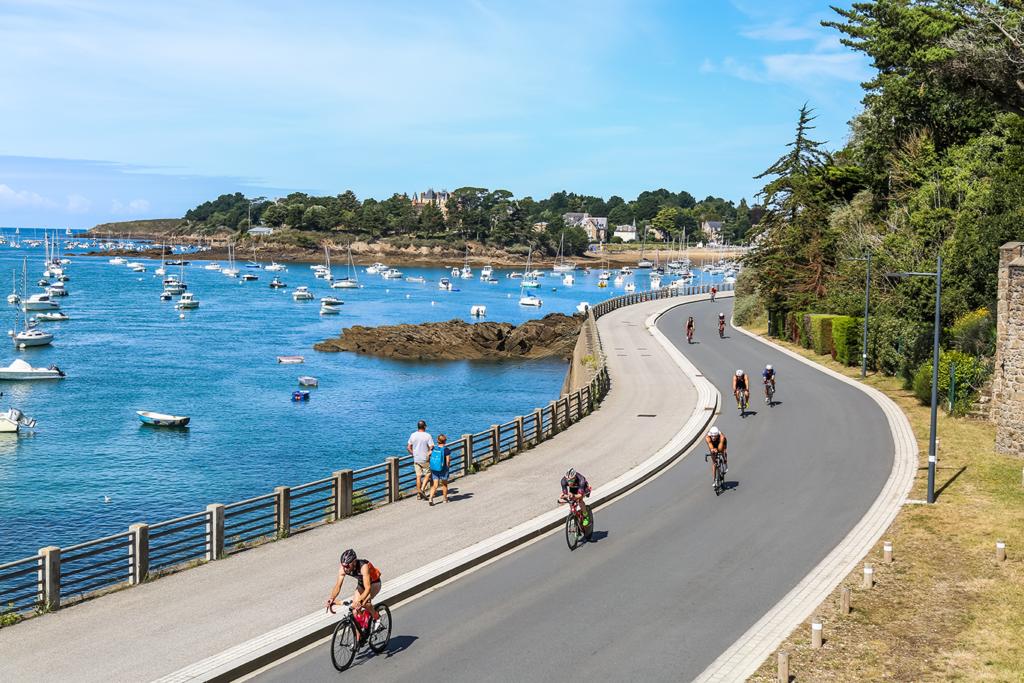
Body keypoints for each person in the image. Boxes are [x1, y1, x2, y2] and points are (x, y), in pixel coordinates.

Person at [326, 549, 385, 634]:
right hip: (361, 584)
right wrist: (332, 598)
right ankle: (358, 639)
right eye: (343, 566)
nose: (345, 569)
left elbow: (368, 588)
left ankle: (376, 617)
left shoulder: (363, 566)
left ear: (353, 562)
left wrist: (360, 601)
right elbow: (338, 586)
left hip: (374, 584)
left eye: (347, 566)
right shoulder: (343, 568)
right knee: (354, 610)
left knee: (364, 603)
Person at [407, 420, 434, 500]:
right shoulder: (427, 436)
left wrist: (413, 454)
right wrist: (429, 453)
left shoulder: (413, 435)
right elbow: (431, 447)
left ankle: (419, 494)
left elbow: (408, 447)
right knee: (428, 474)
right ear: (425, 426)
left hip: (416, 459)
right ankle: (422, 490)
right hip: (425, 459)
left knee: (418, 476)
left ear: (417, 427)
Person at [427, 434, 451, 505]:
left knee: (435, 485)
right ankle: (445, 499)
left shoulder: (434, 448)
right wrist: (448, 467)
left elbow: (428, 455)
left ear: (438, 441)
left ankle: (430, 498)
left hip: (434, 468)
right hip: (443, 469)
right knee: (444, 484)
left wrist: (430, 462)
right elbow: (448, 461)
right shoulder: (446, 450)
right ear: (445, 441)